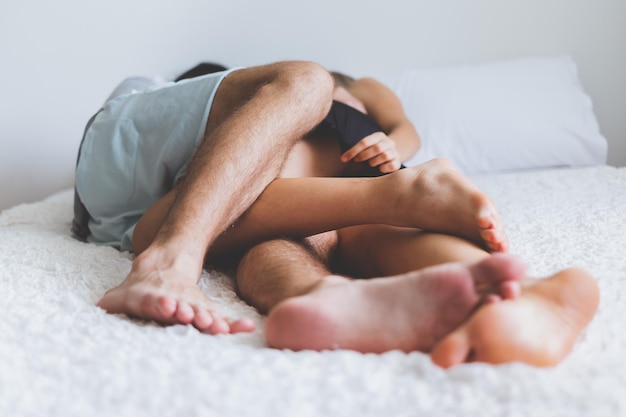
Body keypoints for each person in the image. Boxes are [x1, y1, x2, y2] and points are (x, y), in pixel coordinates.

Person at [74, 61, 598, 367]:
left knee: (286, 232)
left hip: (355, 164)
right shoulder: (257, 110)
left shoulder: (357, 89)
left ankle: (504, 294)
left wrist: (391, 147)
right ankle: (512, 295)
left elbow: (405, 127)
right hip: (327, 183)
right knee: (343, 232)